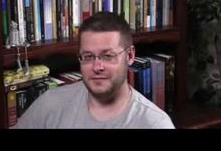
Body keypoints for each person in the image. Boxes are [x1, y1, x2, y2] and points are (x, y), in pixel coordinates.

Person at [12, 11, 175, 129]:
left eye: (108, 56)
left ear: (130, 55)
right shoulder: (50, 104)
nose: (97, 67)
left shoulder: (154, 124)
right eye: (88, 57)